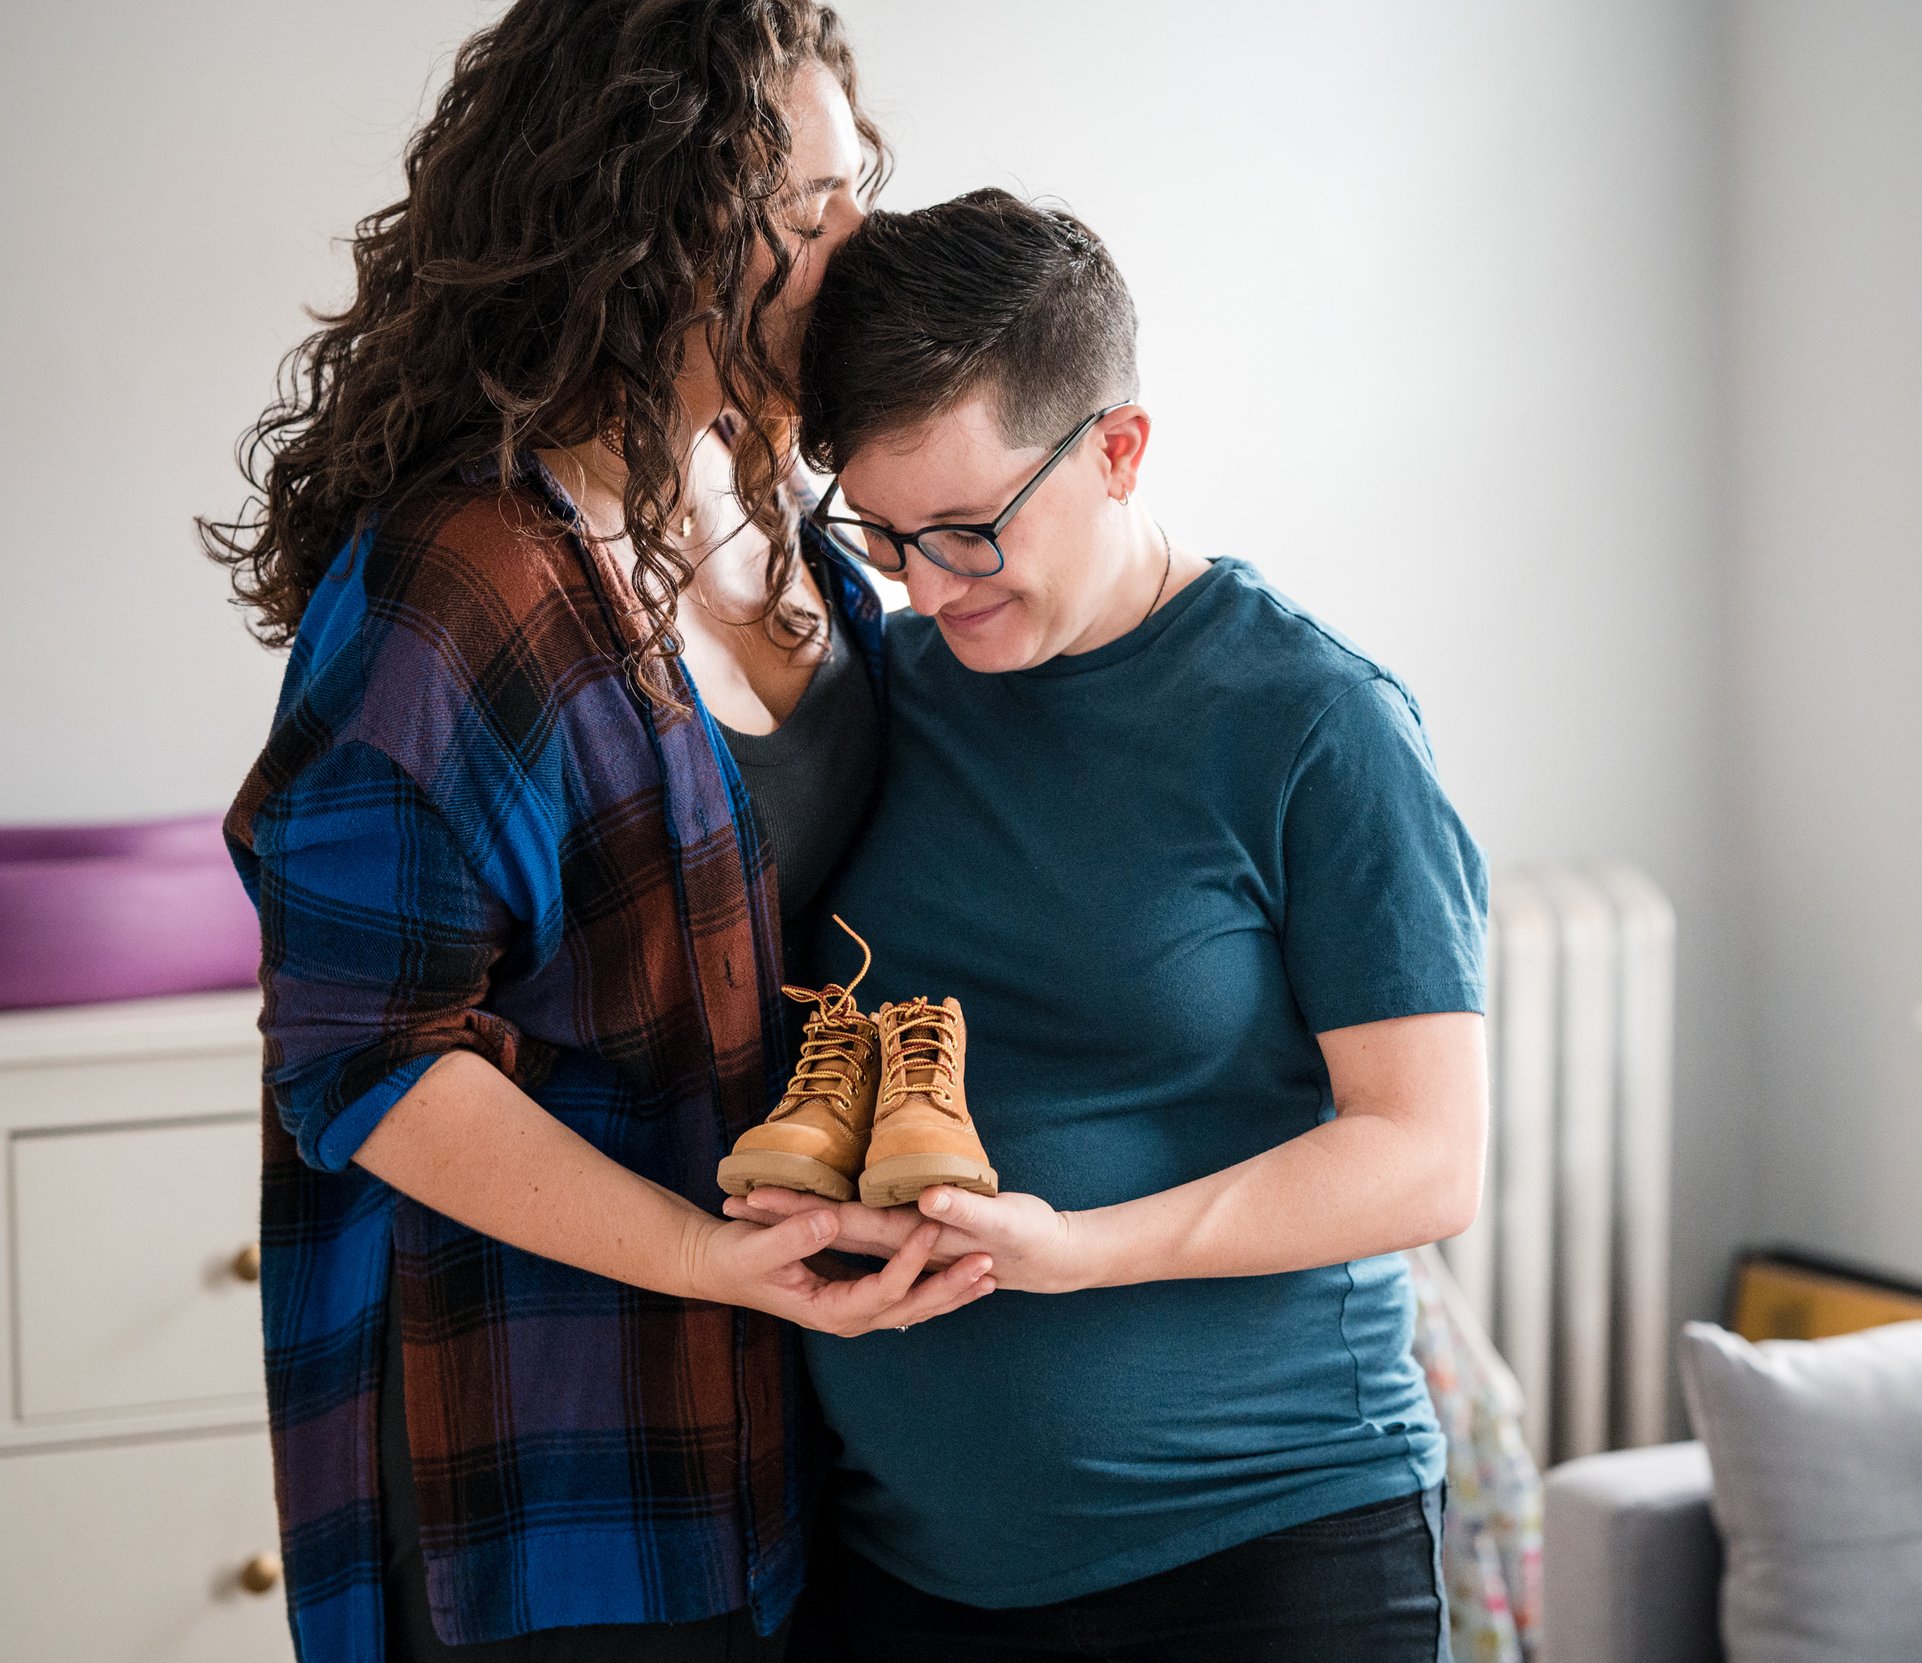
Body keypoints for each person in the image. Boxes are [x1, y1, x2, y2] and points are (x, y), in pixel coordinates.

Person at [204, 6, 993, 1660]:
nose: (861, 249)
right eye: (809, 214)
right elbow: (367, 1059)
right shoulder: (458, 584)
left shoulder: (756, 482)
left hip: (778, 1424)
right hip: (547, 1474)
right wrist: (715, 1262)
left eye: (859, 193)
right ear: (658, 213)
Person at [731, 187, 1491, 1661]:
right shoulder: (874, 696)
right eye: (885, 536)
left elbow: (1423, 1157)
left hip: (1261, 1559)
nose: (929, 584)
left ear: (1119, 448)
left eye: (969, 529)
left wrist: (1075, 1248)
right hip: (905, 1567)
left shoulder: (1315, 726)